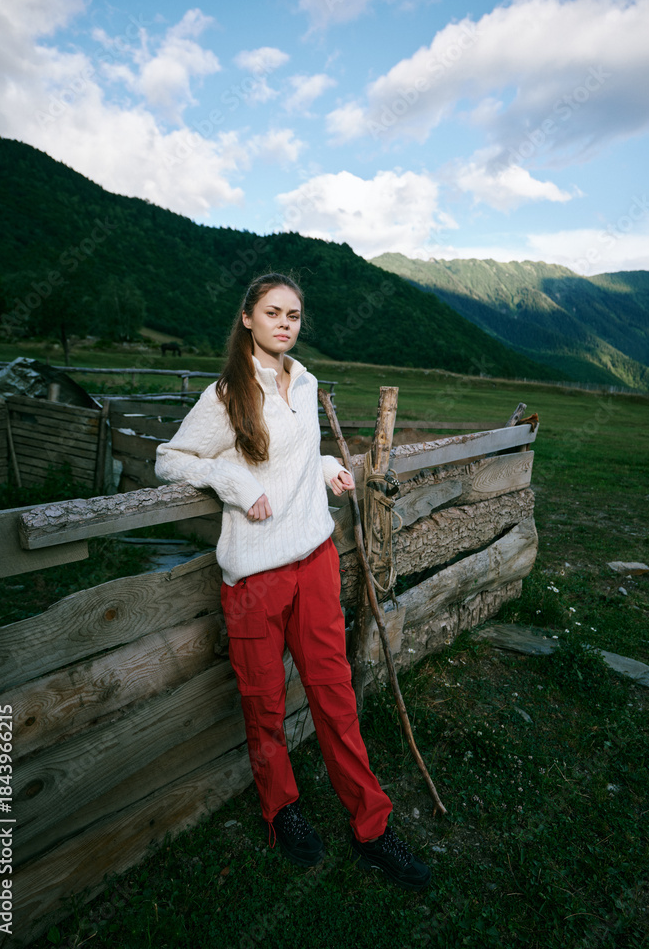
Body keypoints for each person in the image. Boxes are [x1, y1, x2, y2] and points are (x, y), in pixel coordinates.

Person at [155, 273, 430, 891]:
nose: (285, 323)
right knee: (266, 705)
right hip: (254, 575)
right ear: (247, 318)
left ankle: (372, 827)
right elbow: (169, 459)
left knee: (335, 697)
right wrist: (235, 484)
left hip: (314, 560)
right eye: (273, 312)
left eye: (295, 314)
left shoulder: (302, 383)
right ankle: (283, 812)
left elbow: (295, 451)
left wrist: (328, 464)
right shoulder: (228, 394)